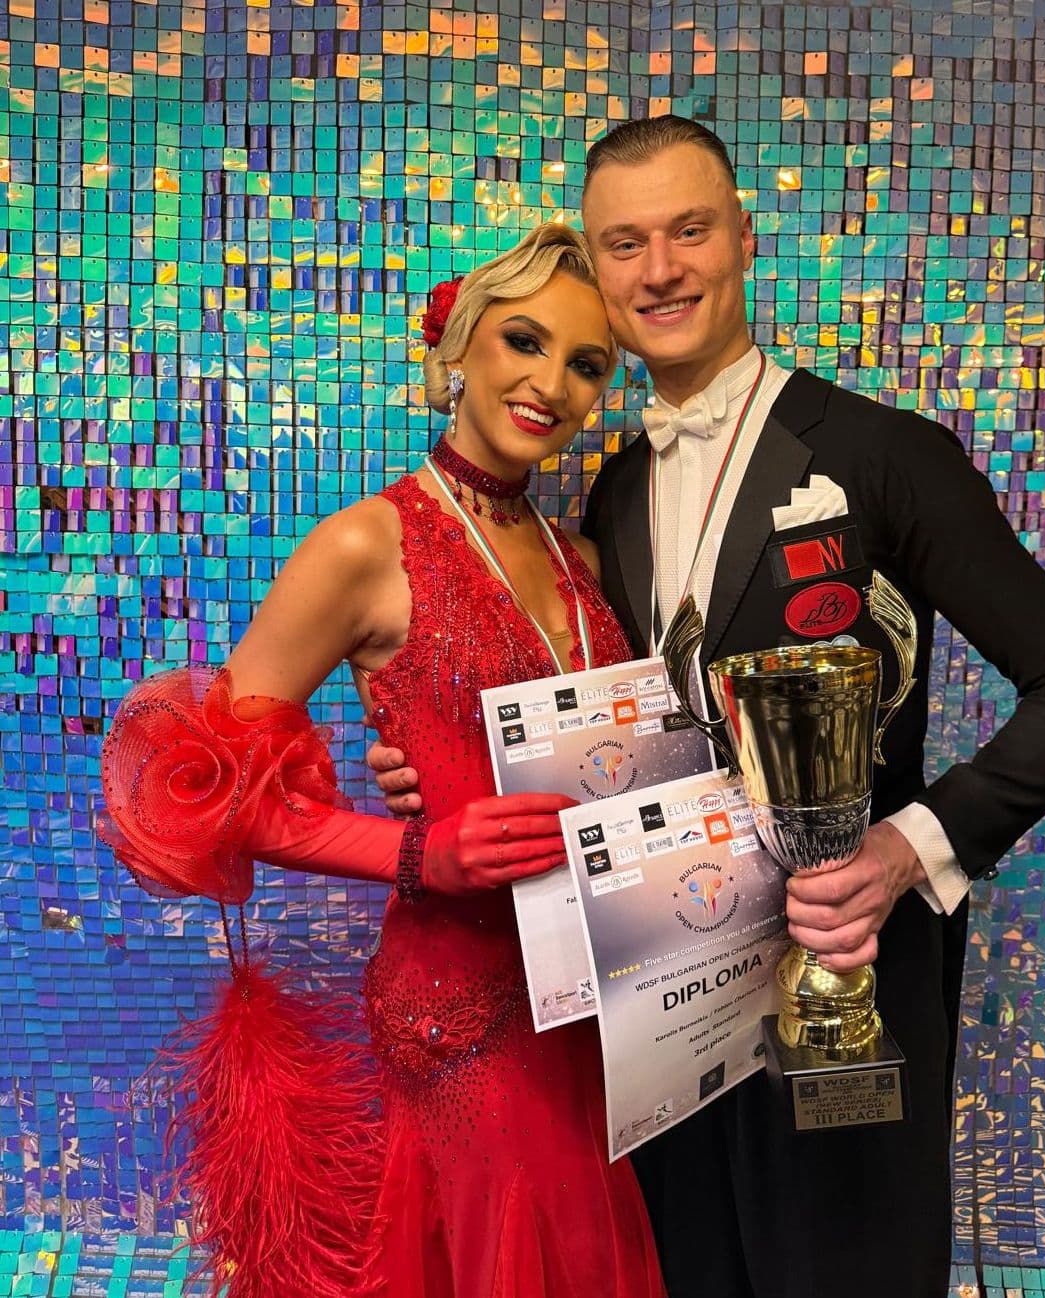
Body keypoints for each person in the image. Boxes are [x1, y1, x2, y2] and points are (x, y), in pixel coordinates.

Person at [372, 115, 1045, 1298]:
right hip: (659, 1003)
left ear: (742, 236)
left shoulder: (887, 454)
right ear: (599, 267)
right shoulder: (613, 490)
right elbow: (605, 718)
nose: (659, 269)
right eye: (625, 243)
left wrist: (903, 848)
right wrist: (442, 766)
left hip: (846, 975)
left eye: (688, 230)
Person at [99, 223, 665, 1298]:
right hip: (463, 1008)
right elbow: (210, 797)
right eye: (524, 341)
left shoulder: (580, 558)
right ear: (459, 346)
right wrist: (420, 851)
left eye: (587, 364)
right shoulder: (369, 544)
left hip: (597, 1005)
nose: (551, 384)